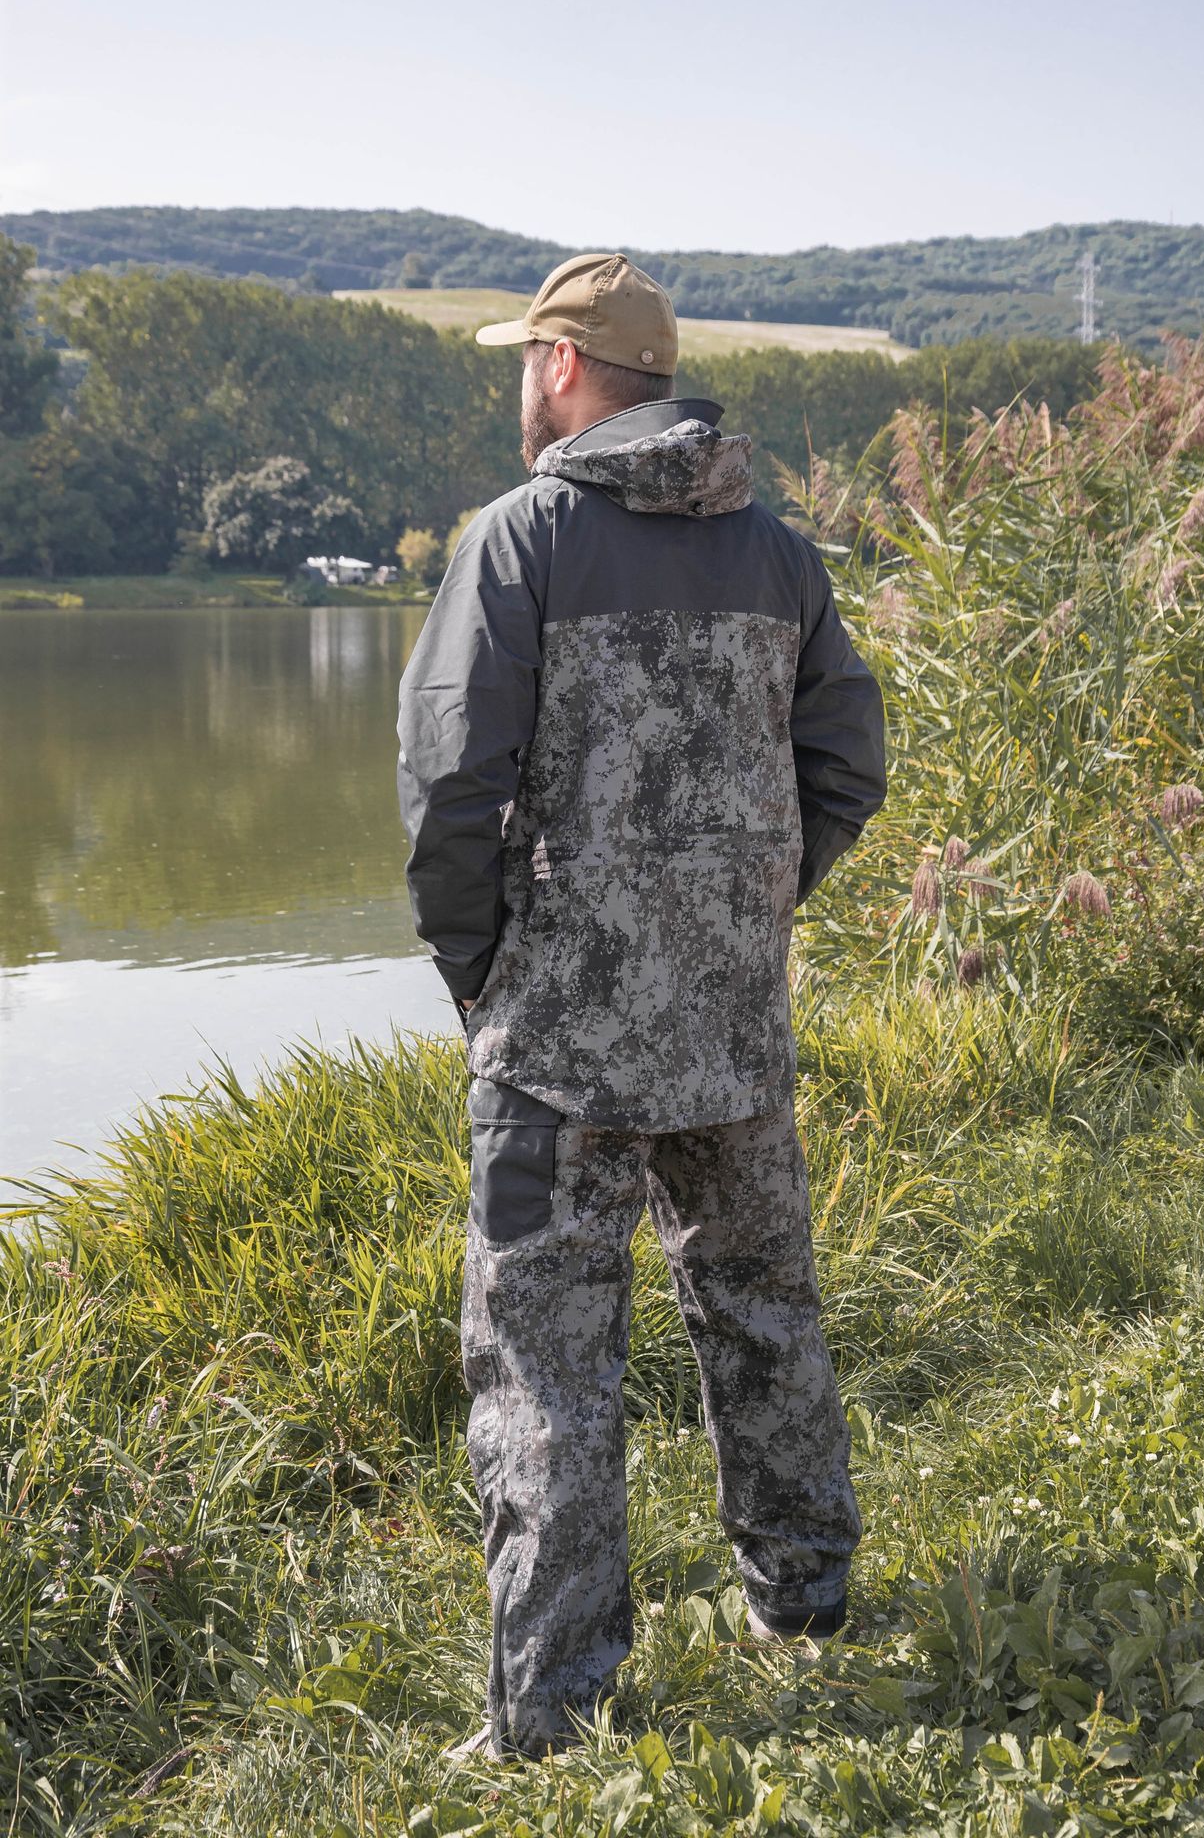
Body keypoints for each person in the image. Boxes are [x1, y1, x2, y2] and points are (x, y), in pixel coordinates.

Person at [395, 250, 886, 1762]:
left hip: (557, 1045)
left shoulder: (523, 536)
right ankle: (802, 1604)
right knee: (763, 1314)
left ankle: (551, 1713)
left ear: (558, 368)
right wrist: (733, 918)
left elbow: (448, 797)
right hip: (730, 1029)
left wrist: (488, 977)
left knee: (544, 1359)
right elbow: (844, 767)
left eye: (521, 363)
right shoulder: (780, 556)